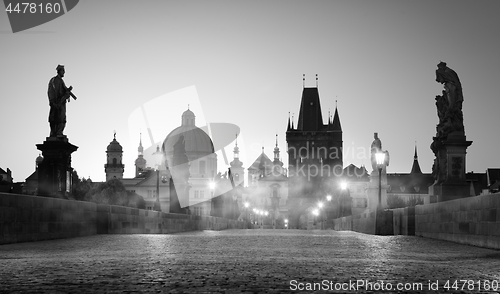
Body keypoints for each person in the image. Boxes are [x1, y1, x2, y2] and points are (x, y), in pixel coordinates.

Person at [47, 65, 74, 137]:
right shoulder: (56, 80)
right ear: (59, 71)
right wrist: (65, 95)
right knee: (57, 118)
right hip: (57, 103)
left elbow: (62, 90)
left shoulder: (60, 81)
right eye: (63, 71)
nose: (64, 72)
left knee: (61, 117)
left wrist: (67, 92)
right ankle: (56, 132)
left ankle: (59, 132)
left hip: (60, 102)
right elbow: (57, 92)